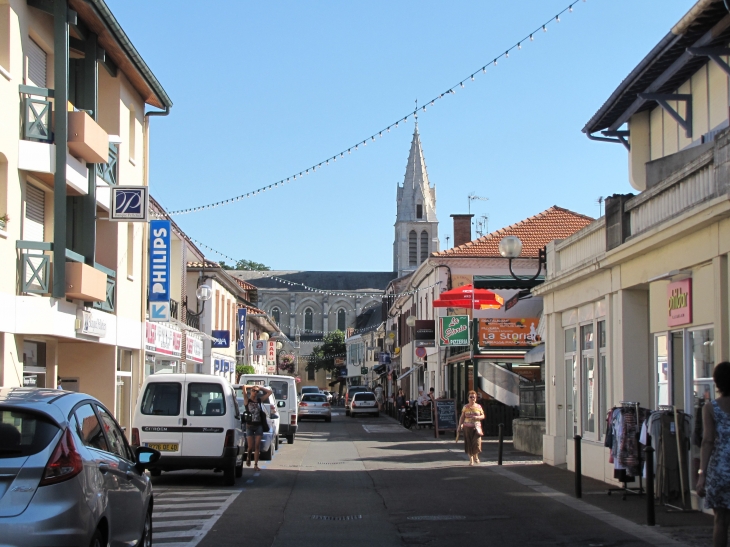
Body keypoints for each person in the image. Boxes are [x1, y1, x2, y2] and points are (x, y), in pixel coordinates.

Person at [697, 362, 730, 547]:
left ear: (717, 383)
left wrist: (702, 475)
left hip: (720, 470)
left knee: (720, 521)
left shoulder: (711, 408)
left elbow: (707, 441)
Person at [242, 384, 273, 471]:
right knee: (250, 447)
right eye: (253, 391)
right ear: (251, 391)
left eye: (257, 391)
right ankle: (248, 457)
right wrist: (252, 386)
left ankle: (255, 464)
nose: (255, 393)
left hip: (259, 425)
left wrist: (260, 387)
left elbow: (269, 392)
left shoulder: (259, 401)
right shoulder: (247, 401)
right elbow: (244, 387)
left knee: (257, 446)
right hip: (249, 426)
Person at [458, 390, 485, 466]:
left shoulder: (479, 407)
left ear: (476, 398)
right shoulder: (465, 407)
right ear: (468, 398)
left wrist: (477, 417)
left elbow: (483, 416)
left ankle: (476, 455)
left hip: (477, 427)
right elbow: (462, 417)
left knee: (476, 443)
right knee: (469, 443)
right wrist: (459, 426)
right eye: (471, 397)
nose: (472, 398)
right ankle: (471, 459)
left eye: (474, 397)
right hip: (467, 427)